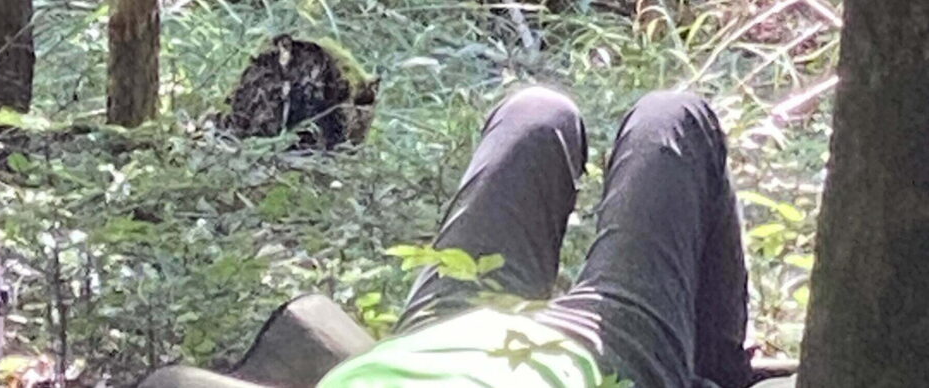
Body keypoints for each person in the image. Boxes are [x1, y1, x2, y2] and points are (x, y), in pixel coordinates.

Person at [318, 87, 796, 388]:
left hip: (426, 347)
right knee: (671, 118)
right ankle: (715, 374)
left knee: (538, 113)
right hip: (587, 355)